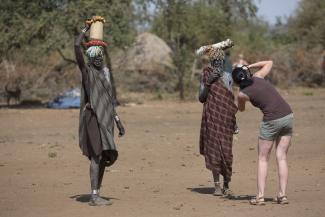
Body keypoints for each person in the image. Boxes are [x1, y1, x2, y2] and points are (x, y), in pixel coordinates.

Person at [75, 21, 125, 206]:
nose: (99, 59)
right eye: (95, 57)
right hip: (93, 118)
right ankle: (94, 196)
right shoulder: (87, 72)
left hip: (106, 120)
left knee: (104, 156)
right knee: (96, 156)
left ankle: (97, 192)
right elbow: (75, 46)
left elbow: (108, 101)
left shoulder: (104, 75)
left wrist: (118, 121)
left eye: (101, 56)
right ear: (90, 58)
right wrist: (85, 30)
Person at [232, 61, 294, 205]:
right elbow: (270, 62)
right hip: (288, 116)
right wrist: (248, 66)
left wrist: (237, 94)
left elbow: (241, 109)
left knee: (262, 158)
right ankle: (282, 195)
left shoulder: (242, 94)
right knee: (282, 157)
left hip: (271, 121)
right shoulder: (259, 76)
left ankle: (260, 197)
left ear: (235, 82)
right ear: (248, 73)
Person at [199, 47, 238, 197]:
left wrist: (235, 122)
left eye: (219, 61)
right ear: (211, 61)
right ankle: (217, 186)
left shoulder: (228, 76)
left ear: (222, 61)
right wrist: (209, 83)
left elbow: (230, 100)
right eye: (214, 61)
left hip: (226, 118)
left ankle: (227, 186)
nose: (217, 63)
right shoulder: (206, 75)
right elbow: (201, 98)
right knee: (214, 151)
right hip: (212, 117)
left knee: (227, 153)